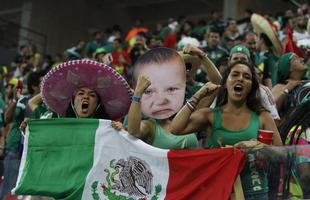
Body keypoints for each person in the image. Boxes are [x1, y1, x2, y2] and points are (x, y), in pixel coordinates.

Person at [171, 61, 282, 199]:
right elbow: (175, 128)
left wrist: (258, 146)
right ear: (225, 83)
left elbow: (281, 154)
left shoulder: (262, 116)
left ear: (252, 86)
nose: (240, 78)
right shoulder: (210, 115)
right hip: (217, 190)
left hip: (255, 192)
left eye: (247, 77)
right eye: (235, 74)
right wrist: (198, 96)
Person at [126, 47, 201, 149]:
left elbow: (216, 85)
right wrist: (138, 93)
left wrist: (203, 56)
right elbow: (133, 131)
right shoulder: (150, 126)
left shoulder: (187, 118)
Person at [279, 94, 310, 199]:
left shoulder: (295, 130)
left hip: (287, 192)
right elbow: (305, 173)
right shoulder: (305, 133)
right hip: (298, 195)